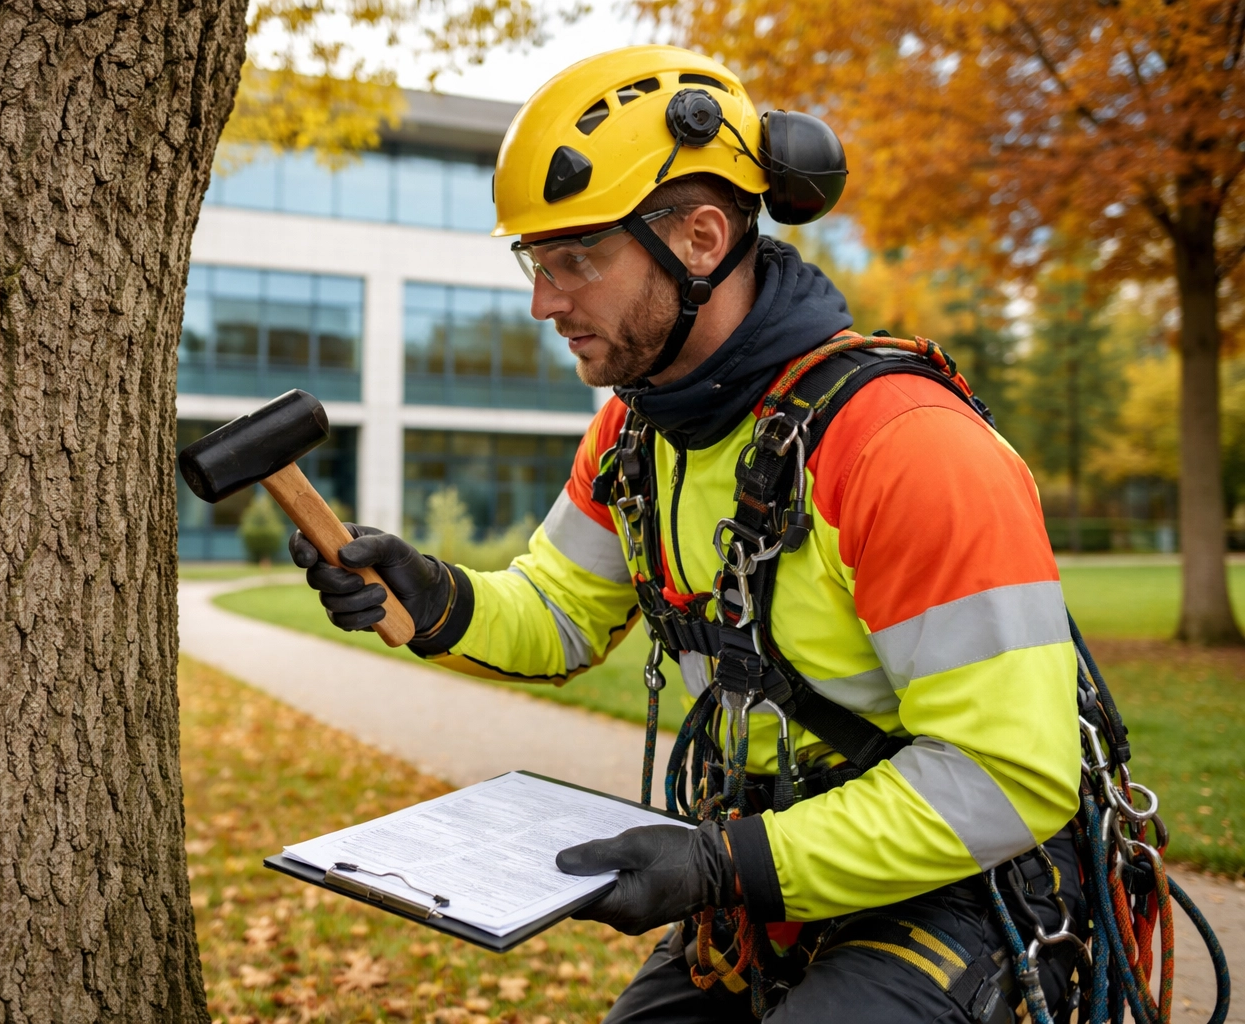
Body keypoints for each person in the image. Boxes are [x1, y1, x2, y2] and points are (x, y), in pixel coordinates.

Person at [289, 46, 1084, 1023]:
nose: (544, 303)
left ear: (702, 239)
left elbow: (1007, 776)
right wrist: (437, 594)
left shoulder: (907, 448)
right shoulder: (637, 432)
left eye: (575, 259)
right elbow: (559, 612)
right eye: (536, 263)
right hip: (762, 872)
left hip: (961, 882)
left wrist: (720, 860)